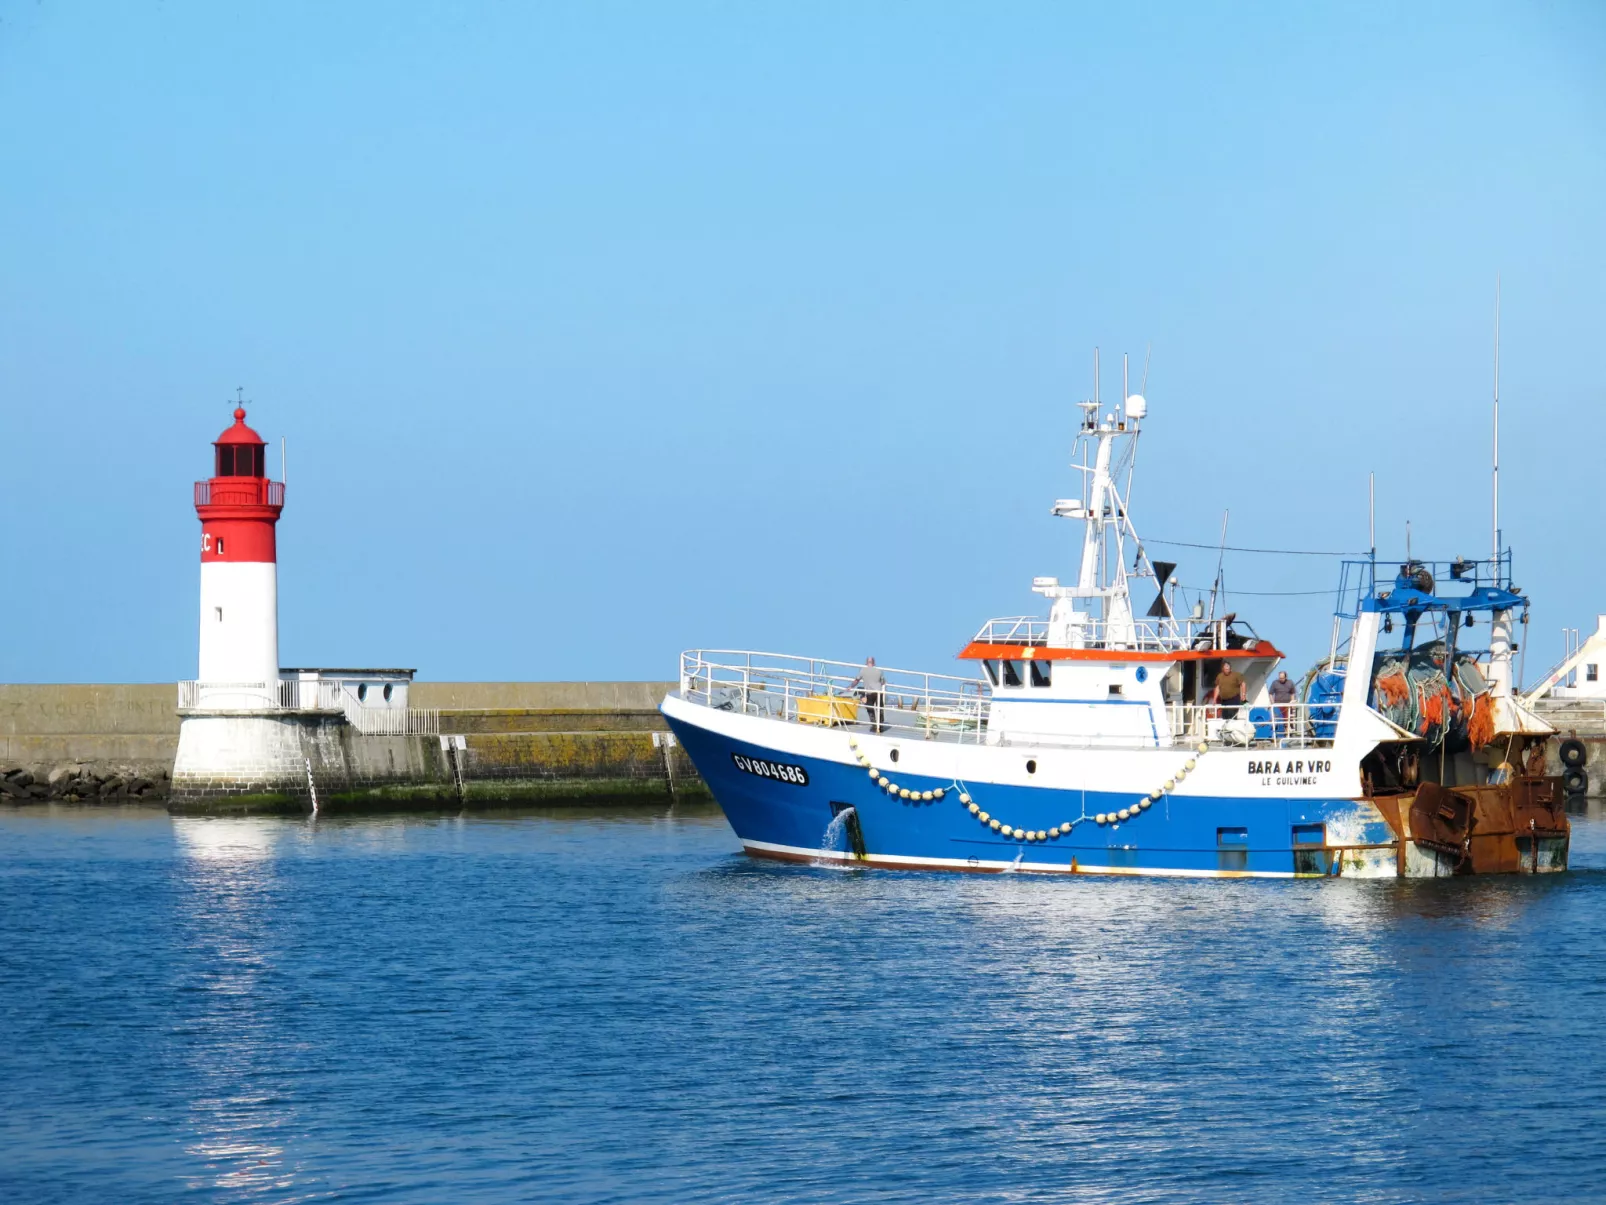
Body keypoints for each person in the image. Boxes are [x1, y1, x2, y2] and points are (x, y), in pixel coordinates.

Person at [853, 656, 886, 733]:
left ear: (866, 663)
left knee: (870, 709)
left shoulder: (863, 670)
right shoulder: (879, 671)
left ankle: (874, 725)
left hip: (869, 693)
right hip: (878, 692)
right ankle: (880, 726)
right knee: (880, 709)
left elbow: (857, 680)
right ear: (874, 663)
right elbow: (883, 682)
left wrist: (850, 687)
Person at [1268, 670, 1297, 739]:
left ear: (1285, 677)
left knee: (1288, 720)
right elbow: (1270, 693)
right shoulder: (1275, 683)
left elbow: (1292, 693)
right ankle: (1277, 734)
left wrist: (1293, 704)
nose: (1281, 679)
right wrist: (1272, 703)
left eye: (1282, 678)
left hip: (1287, 705)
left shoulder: (1290, 683)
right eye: (1280, 678)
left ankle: (1288, 734)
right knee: (1278, 720)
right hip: (1278, 706)